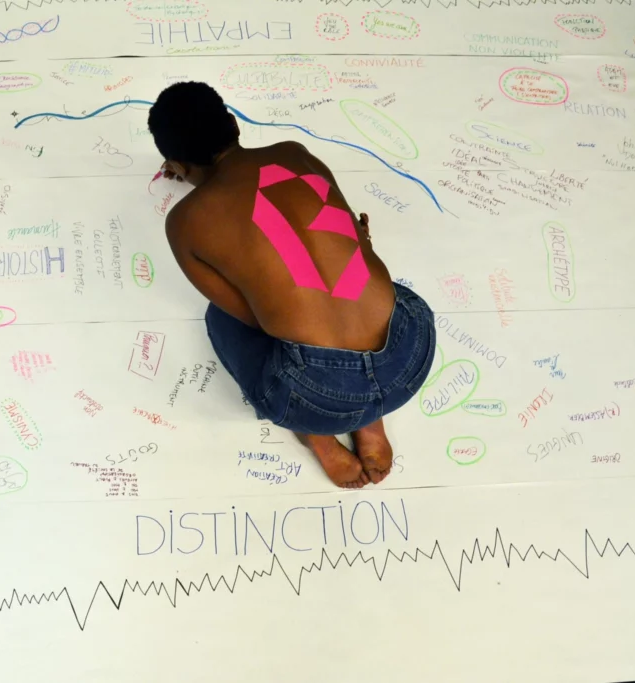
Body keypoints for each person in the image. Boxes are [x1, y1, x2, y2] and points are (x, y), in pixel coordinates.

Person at [147, 82, 436, 489]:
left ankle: (318, 432)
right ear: (232, 124)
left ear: (176, 165)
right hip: (410, 356)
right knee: (358, 282)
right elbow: (347, 230)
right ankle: (371, 418)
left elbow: (259, 324)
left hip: (319, 396)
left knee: (223, 318)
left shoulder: (184, 222)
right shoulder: (295, 154)